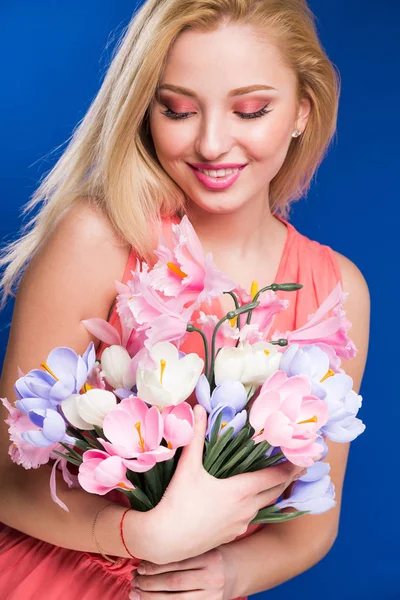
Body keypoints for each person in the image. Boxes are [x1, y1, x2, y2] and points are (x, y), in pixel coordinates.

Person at [0, 0, 370, 599]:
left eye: (251, 110)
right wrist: (138, 536)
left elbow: (312, 525)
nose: (212, 143)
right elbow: (5, 479)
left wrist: (228, 574)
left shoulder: (336, 292)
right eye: (177, 109)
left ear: (303, 110)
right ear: (145, 110)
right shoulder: (99, 237)